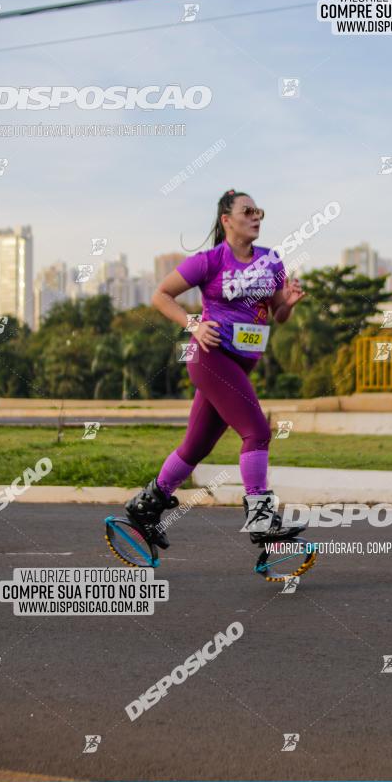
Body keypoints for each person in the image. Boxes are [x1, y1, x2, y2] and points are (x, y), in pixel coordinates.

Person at [125, 188, 306, 548]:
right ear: (227, 220)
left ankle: (146, 505)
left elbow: (278, 315)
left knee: (196, 447)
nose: (257, 217)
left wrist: (287, 303)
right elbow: (161, 295)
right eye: (248, 211)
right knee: (257, 432)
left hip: (241, 363)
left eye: (260, 212)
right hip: (210, 357)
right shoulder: (209, 261)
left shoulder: (271, 261)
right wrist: (193, 324)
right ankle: (260, 518)